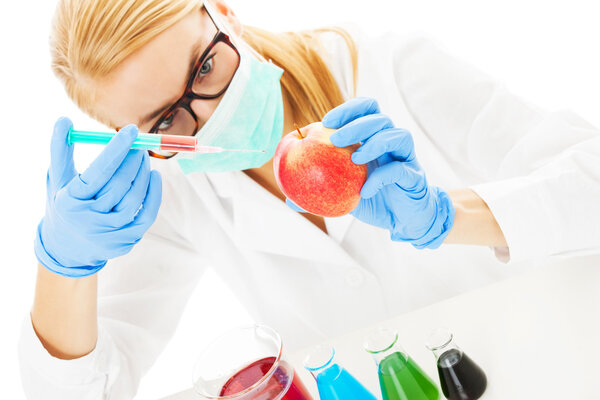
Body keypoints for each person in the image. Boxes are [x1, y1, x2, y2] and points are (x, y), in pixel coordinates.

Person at [19, 0, 600, 398]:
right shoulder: (173, 192)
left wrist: (449, 218)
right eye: (170, 118)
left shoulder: (389, 69)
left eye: (206, 65)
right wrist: (63, 265)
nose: (210, 112)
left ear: (221, 11)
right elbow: (85, 390)